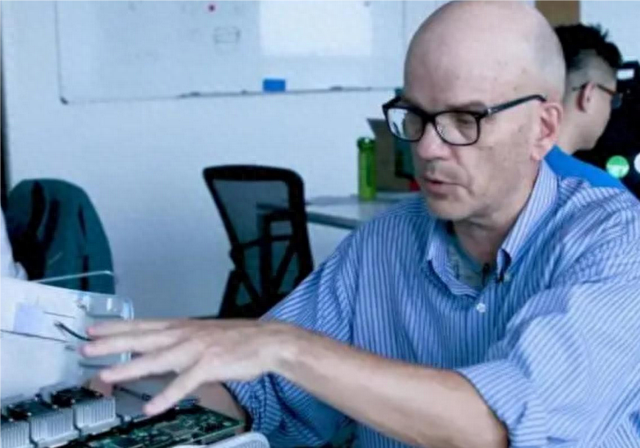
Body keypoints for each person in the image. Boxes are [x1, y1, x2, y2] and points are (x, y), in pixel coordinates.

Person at [83, 1, 640, 447]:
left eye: (464, 118)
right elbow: (263, 394)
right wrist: (135, 399)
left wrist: (288, 346)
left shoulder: (616, 241)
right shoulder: (384, 242)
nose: (427, 147)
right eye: (415, 115)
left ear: (544, 128)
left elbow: (494, 426)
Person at [545, 24, 627, 189]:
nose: (610, 112)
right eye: (613, 98)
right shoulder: (604, 193)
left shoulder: (502, 166)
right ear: (588, 95)